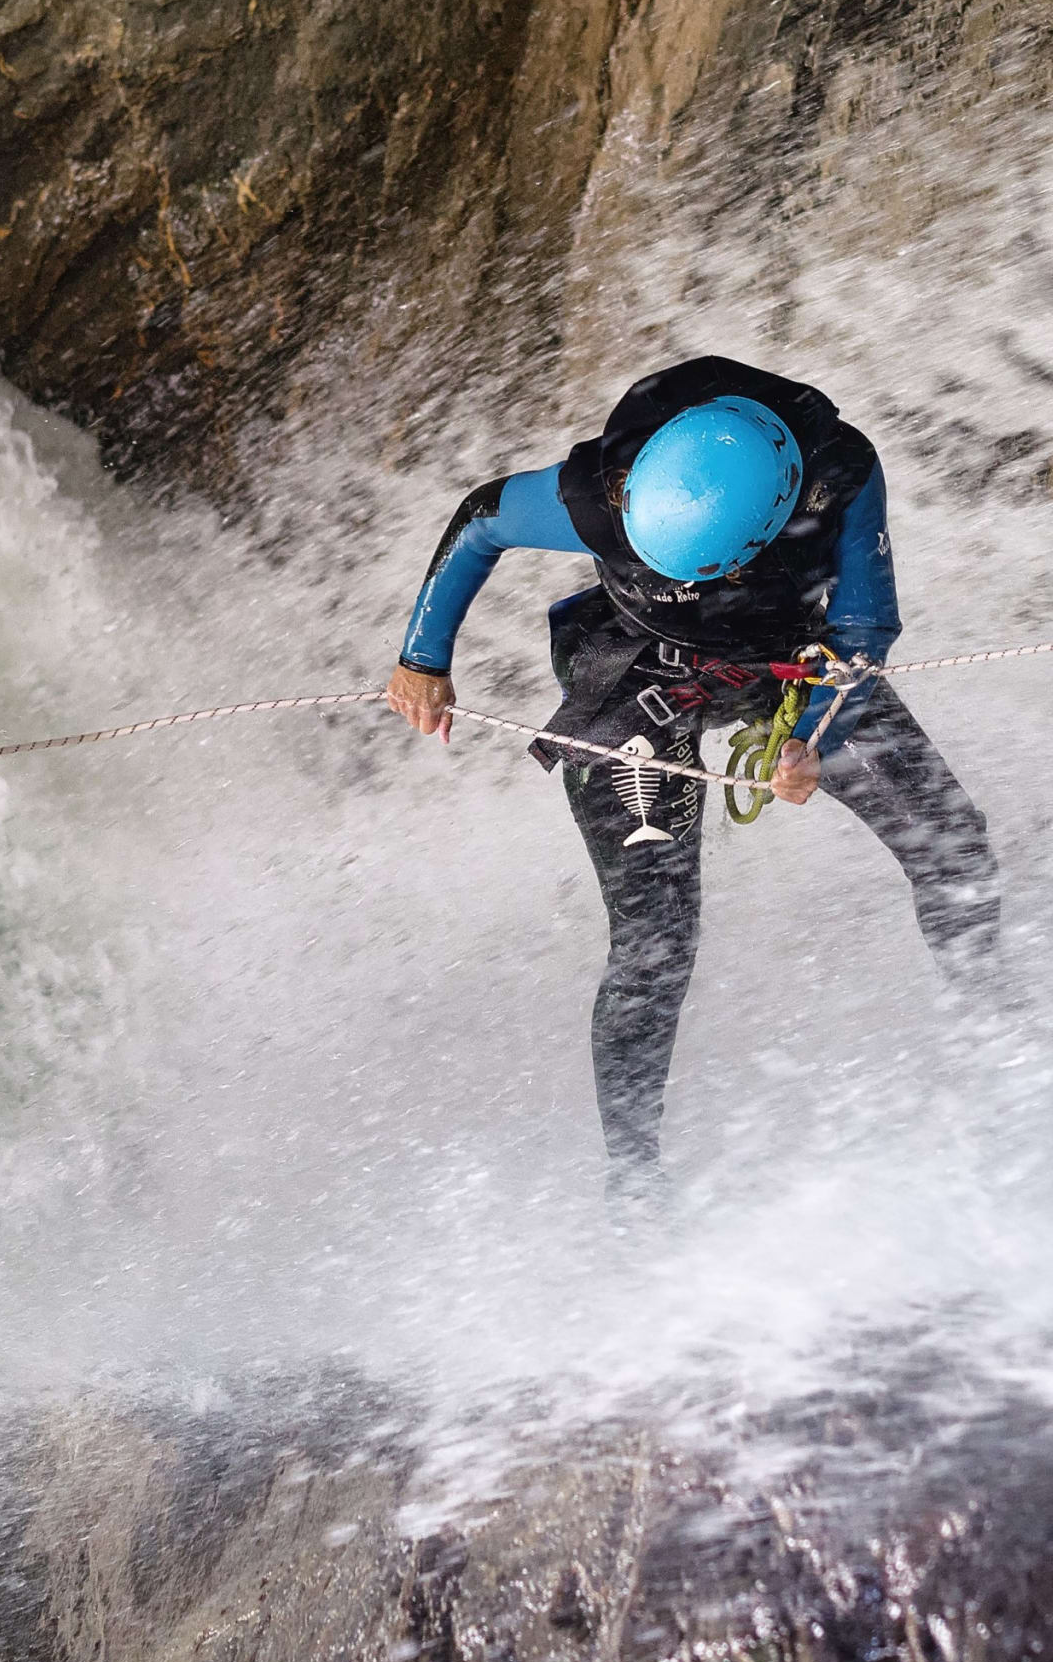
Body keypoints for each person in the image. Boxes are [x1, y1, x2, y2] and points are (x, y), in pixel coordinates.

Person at [384, 357, 1006, 1202]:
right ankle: (633, 1183)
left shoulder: (836, 480)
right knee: (655, 944)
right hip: (640, 670)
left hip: (792, 664)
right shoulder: (598, 493)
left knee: (955, 847)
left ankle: (1000, 1032)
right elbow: (482, 519)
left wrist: (818, 739)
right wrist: (424, 655)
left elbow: (862, 624)